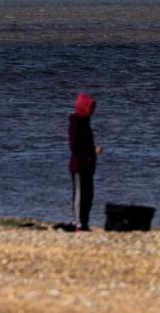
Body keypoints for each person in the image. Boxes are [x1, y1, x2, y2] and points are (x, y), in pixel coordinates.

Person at [69, 93, 103, 232]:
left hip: (88, 166)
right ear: (83, 108)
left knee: (89, 194)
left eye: (93, 109)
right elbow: (75, 146)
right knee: (80, 194)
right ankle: (78, 223)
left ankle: (85, 222)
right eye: (90, 108)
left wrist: (92, 154)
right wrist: (91, 151)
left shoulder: (86, 121)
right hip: (79, 166)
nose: (92, 111)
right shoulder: (76, 123)